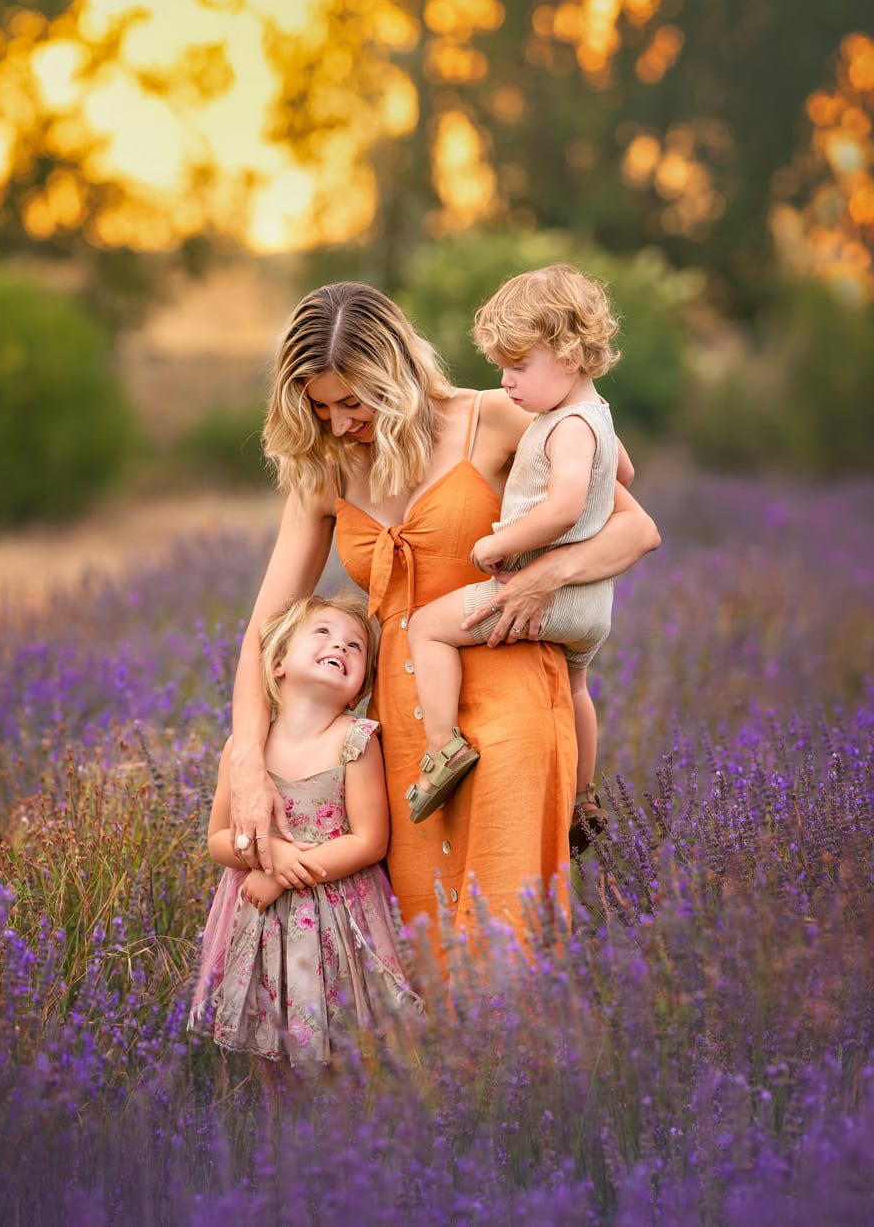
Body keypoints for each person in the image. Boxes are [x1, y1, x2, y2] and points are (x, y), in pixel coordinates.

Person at [227, 281, 660, 946]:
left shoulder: (496, 417)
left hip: (513, 705)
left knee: (501, 947)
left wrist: (541, 579)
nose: (340, 423)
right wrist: (249, 764)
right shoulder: (328, 472)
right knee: (418, 956)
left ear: (397, 372)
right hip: (406, 739)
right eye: (320, 408)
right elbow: (266, 629)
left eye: (353, 400)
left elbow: (632, 527)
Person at [405, 264, 631, 854]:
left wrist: (496, 545)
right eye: (501, 367)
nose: (506, 382)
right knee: (576, 690)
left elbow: (562, 509)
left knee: (427, 627)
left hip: (546, 594)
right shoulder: (595, 417)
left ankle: (442, 746)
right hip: (590, 607)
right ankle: (580, 797)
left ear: (574, 356)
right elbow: (623, 476)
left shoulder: (568, 428)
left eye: (519, 366)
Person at [189, 592, 421, 1065]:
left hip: (337, 913)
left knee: (343, 1037)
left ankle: (349, 1126)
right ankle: (280, 1133)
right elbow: (217, 840)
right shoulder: (244, 749)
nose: (341, 647)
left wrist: (278, 871)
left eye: (356, 647)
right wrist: (268, 853)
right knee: (269, 1030)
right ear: (278, 663)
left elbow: (369, 840)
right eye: (323, 633)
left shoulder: (355, 741)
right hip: (259, 919)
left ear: (357, 690)